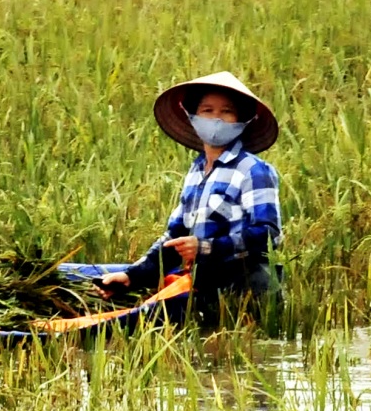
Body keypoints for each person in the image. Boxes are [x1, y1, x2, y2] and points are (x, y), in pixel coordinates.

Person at [98, 71, 283, 313]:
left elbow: (268, 235)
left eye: (227, 111)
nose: (217, 119)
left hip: (247, 292)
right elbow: (177, 236)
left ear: (242, 120)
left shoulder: (253, 170)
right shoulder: (196, 172)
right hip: (207, 290)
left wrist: (207, 247)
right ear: (193, 117)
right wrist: (133, 275)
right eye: (207, 110)